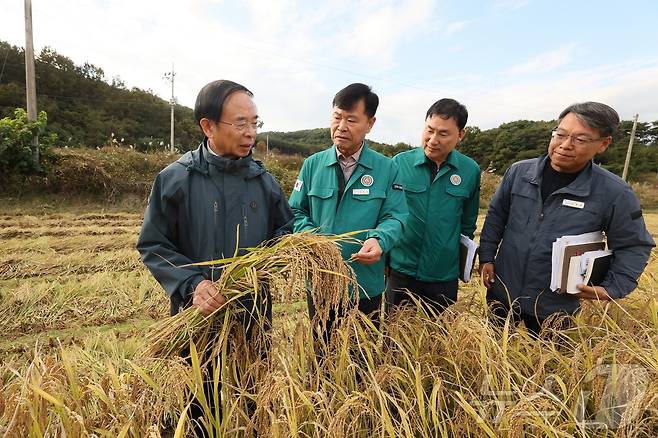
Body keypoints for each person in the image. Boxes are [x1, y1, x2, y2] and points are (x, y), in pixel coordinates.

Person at [136, 79, 293, 434]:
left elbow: (285, 231)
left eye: (255, 122)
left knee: (252, 401)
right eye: (240, 123)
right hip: (196, 318)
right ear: (208, 126)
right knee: (195, 407)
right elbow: (154, 244)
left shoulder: (264, 180)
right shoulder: (176, 179)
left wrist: (270, 261)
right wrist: (192, 284)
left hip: (252, 316)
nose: (250, 132)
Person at [479, 101, 655, 335]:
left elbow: (634, 244)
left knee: (547, 366)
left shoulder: (614, 192)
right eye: (560, 134)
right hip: (502, 291)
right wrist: (487, 256)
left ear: (603, 144)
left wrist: (613, 287)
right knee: (490, 357)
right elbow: (496, 216)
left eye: (580, 140)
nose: (564, 145)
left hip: (555, 306)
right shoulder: (519, 172)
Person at [288, 83, 408, 340]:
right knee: (321, 356)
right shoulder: (312, 165)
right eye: (337, 117)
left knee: (361, 360)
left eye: (351, 119)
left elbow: (396, 216)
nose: (341, 126)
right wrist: (314, 239)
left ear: (370, 123)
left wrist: (379, 239)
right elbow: (295, 212)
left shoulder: (386, 168)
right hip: (321, 283)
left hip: (365, 285)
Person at [386, 98, 480, 314]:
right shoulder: (399, 163)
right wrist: (386, 259)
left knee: (439, 339)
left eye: (443, 134)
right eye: (429, 130)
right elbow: (388, 214)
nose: (433, 140)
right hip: (401, 268)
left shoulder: (469, 170)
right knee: (395, 337)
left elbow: (467, 222)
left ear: (460, 135)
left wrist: (461, 263)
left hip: (443, 274)